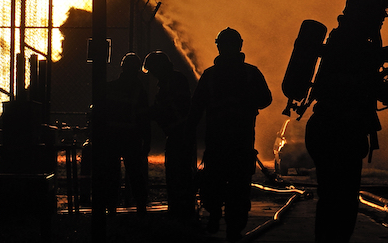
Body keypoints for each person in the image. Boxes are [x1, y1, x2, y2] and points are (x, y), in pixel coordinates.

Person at [305, 0, 388, 243]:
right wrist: (375, 60)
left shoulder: (356, 42)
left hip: (338, 130)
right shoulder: (347, 41)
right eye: (378, 9)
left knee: (340, 201)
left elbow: (361, 78)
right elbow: (343, 81)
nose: (383, 15)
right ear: (365, 8)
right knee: (339, 203)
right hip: (337, 131)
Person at [187, 28, 273, 242]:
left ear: (219, 46)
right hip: (241, 143)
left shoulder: (210, 75)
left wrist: (188, 130)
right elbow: (266, 99)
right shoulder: (251, 73)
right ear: (240, 45)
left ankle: (216, 216)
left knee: (214, 183)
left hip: (218, 142)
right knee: (238, 188)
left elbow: (196, 107)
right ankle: (233, 228)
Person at [143, 50, 195, 222]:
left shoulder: (173, 82)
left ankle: (182, 209)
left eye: (152, 70)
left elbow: (174, 108)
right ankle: (180, 208)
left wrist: (151, 113)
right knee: (177, 172)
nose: (151, 74)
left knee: (178, 172)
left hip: (180, 134)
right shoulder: (171, 81)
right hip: (178, 134)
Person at [104, 52, 151, 215]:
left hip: (112, 137)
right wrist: (147, 140)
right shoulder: (140, 91)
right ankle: (140, 206)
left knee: (111, 173)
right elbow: (144, 119)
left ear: (122, 67)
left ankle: (110, 207)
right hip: (132, 137)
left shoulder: (109, 87)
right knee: (135, 173)